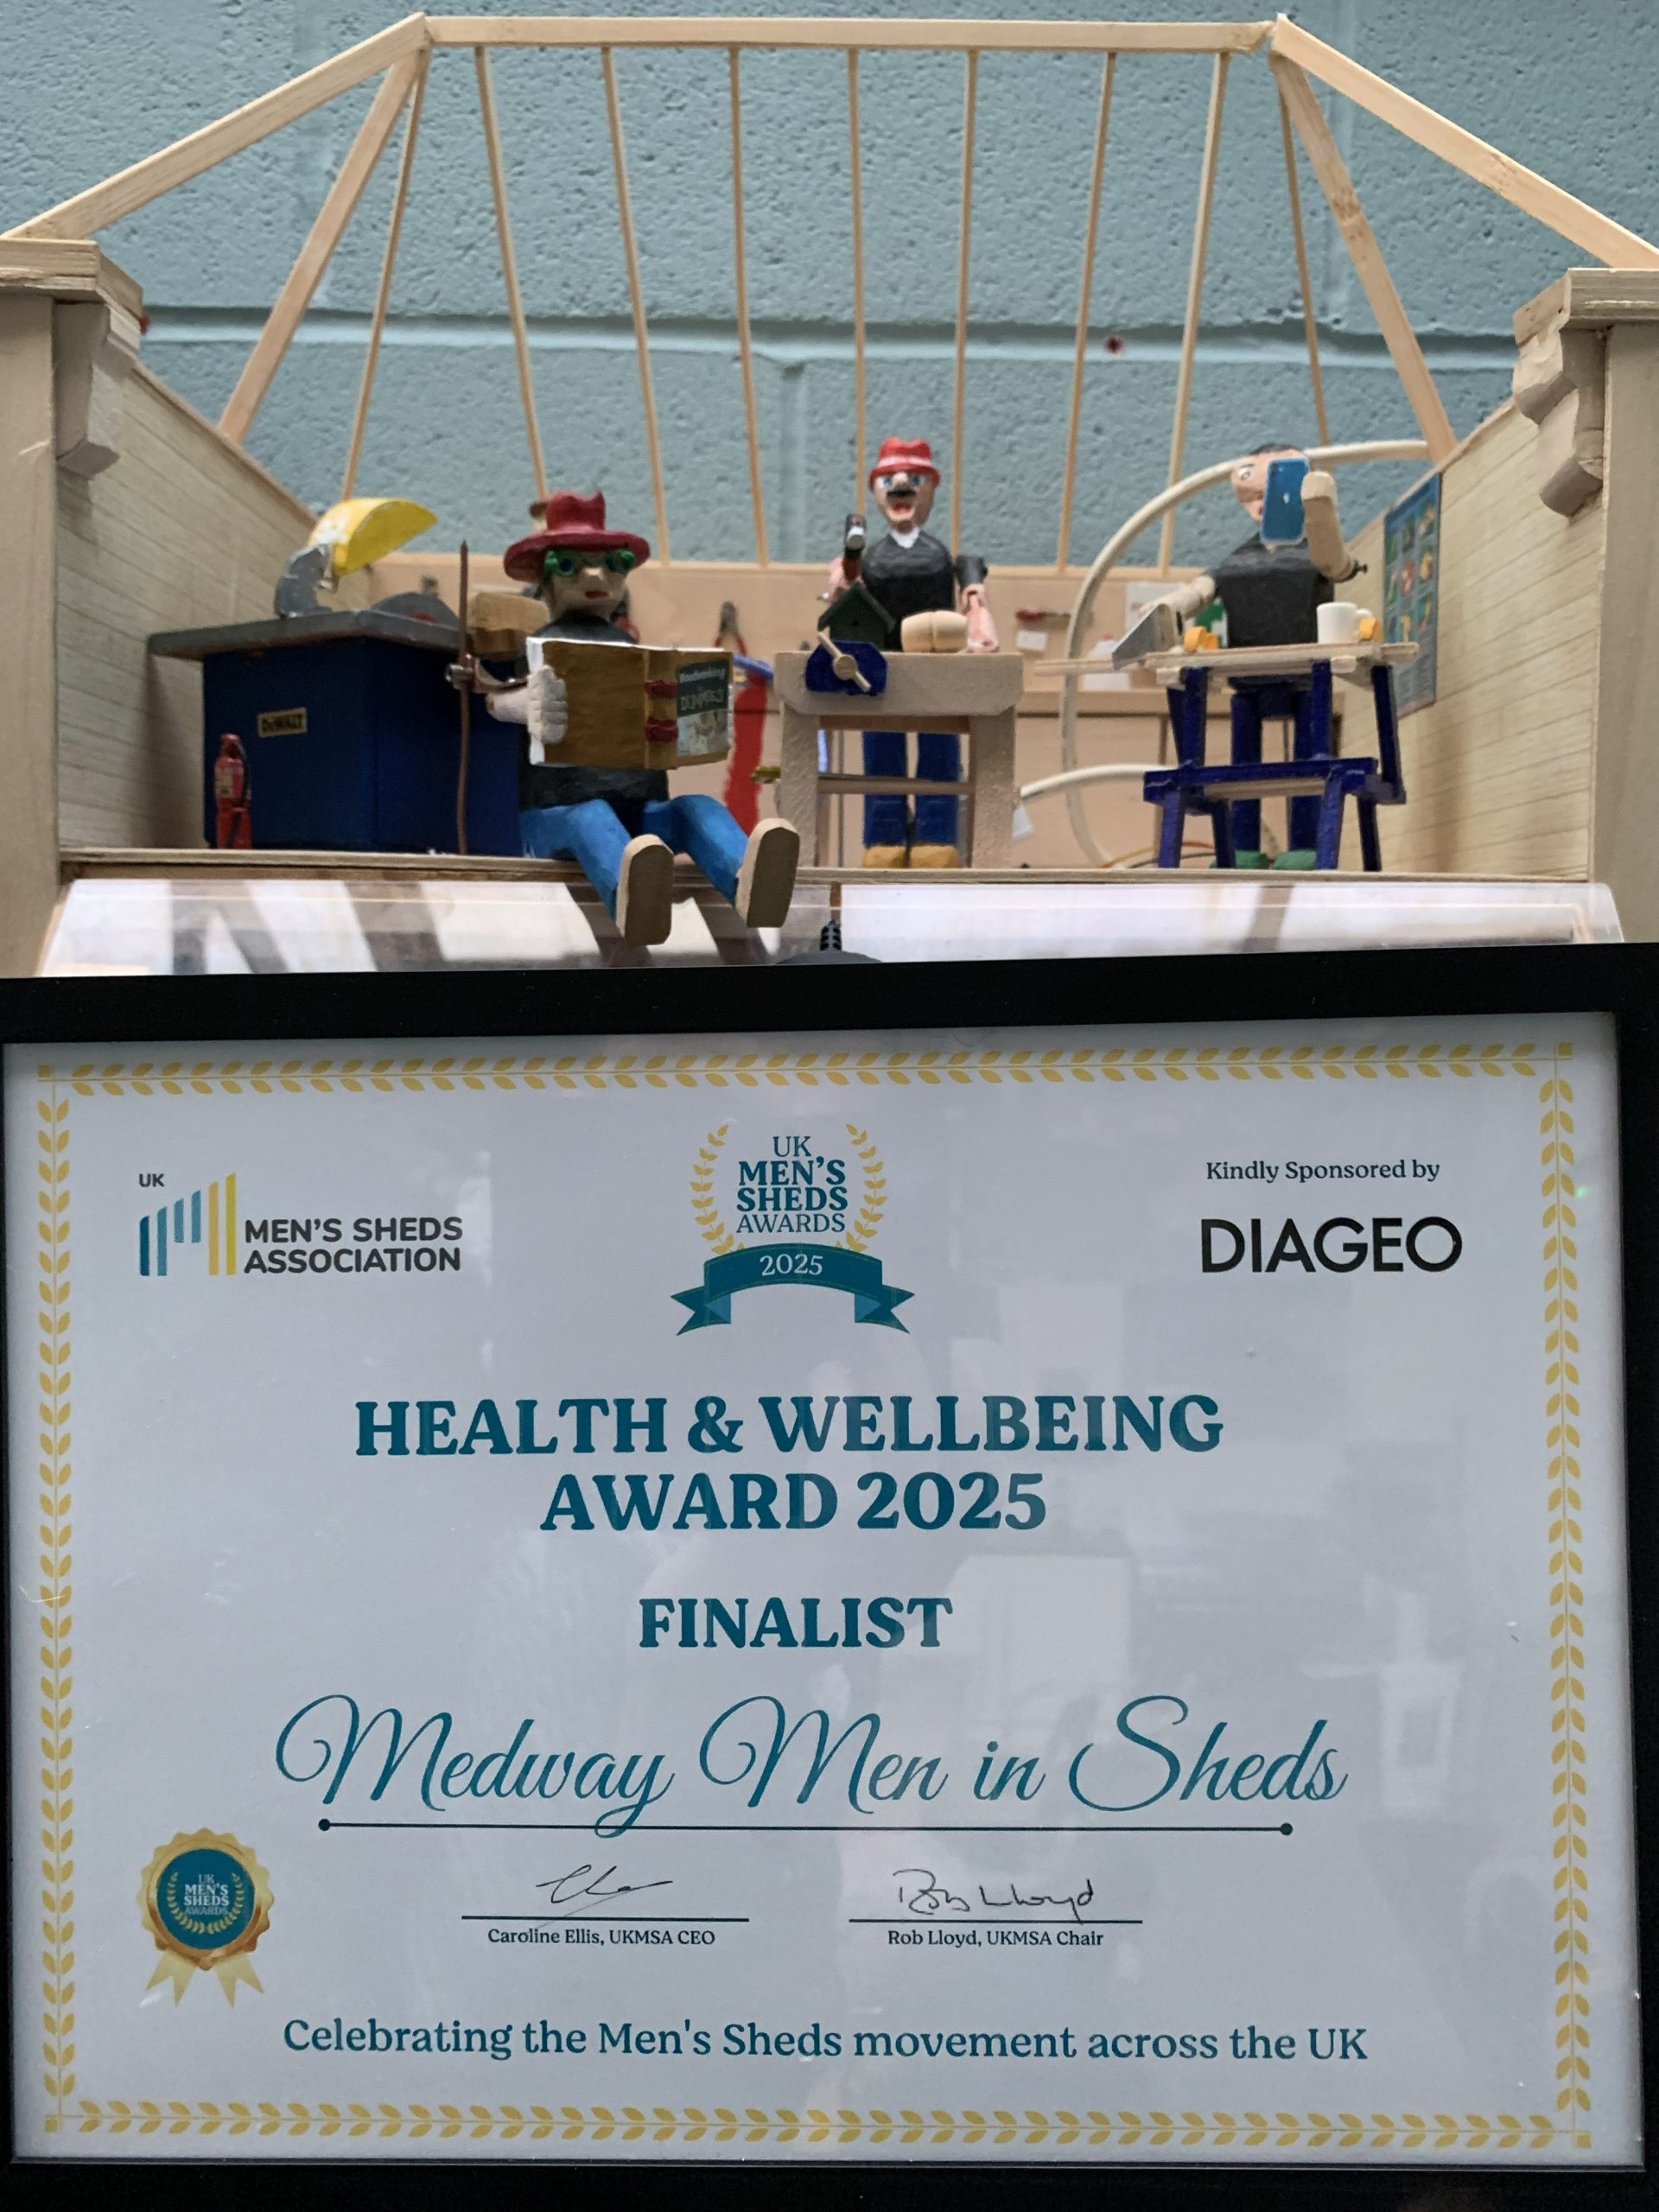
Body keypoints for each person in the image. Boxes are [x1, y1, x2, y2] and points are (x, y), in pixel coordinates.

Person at [460, 490, 798, 944]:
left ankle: (749, 881)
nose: (596, 575)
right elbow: (497, 701)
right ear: (546, 577)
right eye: (569, 565)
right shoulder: (541, 647)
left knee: (698, 807)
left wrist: (701, 719)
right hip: (558, 812)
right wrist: (522, 706)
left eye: (614, 563)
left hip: (640, 807)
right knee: (591, 818)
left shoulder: (633, 651)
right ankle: (633, 898)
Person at [1151, 444, 1362, 866]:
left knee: (1311, 764)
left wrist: (1320, 514)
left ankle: (1305, 847)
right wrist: (1165, 610)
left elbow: (1339, 564)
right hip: (1247, 680)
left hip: (1308, 679)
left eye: (1273, 491)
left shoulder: (1318, 553)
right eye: (1252, 496)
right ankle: (1242, 847)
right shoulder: (1238, 561)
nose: (1262, 504)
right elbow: (1199, 590)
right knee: (1239, 770)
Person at [823, 437, 997, 868]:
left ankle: (937, 836)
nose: (901, 488)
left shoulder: (941, 556)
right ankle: (884, 838)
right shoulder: (867, 558)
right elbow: (844, 590)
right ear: (876, 491)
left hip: (937, 665)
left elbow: (972, 594)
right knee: (882, 753)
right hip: (880, 666)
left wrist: (978, 618)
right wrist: (845, 572)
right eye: (889, 481)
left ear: (931, 488)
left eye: (915, 480)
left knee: (940, 749)